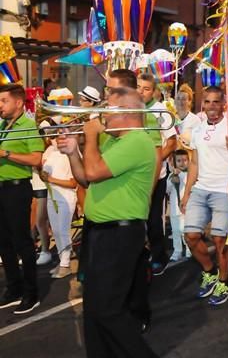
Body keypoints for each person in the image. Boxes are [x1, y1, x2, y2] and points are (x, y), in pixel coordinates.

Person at [56, 87, 158, 357]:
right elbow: (85, 178)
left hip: (120, 233)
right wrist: (72, 152)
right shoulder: (114, 140)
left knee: (108, 309)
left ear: (125, 112)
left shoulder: (137, 141)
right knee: (93, 309)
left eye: (107, 109)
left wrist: (89, 137)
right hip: (101, 231)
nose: (101, 114)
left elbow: (94, 170)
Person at [181, 86, 228, 306]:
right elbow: (194, 163)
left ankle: (224, 282)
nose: (211, 106)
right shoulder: (197, 131)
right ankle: (210, 271)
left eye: (215, 102)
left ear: (223, 104)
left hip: (223, 191)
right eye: (207, 102)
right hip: (200, 188)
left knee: (220, 240)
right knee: (190, 235)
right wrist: (187, 192)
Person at [0, 83, 45, 314]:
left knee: (22, 242)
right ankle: (14, 287)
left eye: (3, 101)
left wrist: (6, 153)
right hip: (1, 187)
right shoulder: (1, 125)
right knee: (3, 242)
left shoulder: (28, 126)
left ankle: (31, 293)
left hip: (17, 189)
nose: (0, 106)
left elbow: (37, 159)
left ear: (18, 102)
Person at [137, 73, 177, 274]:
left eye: (146, 88)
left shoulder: (160, 110)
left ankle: (159, 256)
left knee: (154, 220)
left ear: (153, 91)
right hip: (135, 176)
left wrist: (156, 160)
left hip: (156, 175)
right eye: (138, 87)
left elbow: (171, 142)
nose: (141, 92)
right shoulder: (132, 108)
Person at [40, 132, 78, 279]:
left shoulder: (71, 153)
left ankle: (65, 264)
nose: (57, 138)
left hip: (66, 198)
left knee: (63, 231)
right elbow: (45, 175)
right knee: (56, 232)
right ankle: (62, 261)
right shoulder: (52, 153)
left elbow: (73, 183)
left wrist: (50, 179)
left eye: (62, 135)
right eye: (56, 135)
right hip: (52, 198)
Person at [166, 149, 189, 261]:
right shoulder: (171, 175)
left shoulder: (188, 175)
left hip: (186, 209)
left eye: (185, 160)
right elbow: (167, 189)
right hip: (175, 209)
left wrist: (181, 176)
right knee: (175, 231)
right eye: (179, 160)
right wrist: (172, 178)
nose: (182, 163)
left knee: (185, 231)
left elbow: (189, 184)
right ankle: (177, 251)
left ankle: (189, 251)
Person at [174, 84, 201, 149]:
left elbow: (198, 141)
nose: (180, 102)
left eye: (183, 99)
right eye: (178, 98)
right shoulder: (170, 117)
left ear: (189, 101)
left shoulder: (195, 120)